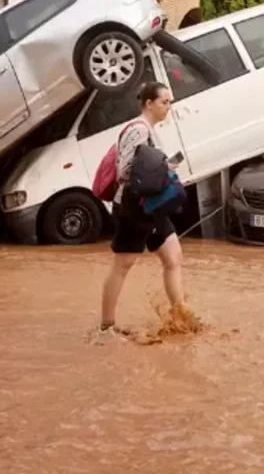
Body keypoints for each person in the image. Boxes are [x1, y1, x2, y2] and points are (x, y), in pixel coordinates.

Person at [98, 81, 185, 338]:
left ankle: (181, 316)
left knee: (173, 257)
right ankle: (106, 327)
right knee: (122, 265)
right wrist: (164, 169)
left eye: (170, 102)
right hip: (133, 207)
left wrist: (165, 166)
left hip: (151, 206)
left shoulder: (150, 130)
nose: (169, 107)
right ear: (149, 103)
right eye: (164, 102)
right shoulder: (138, 130)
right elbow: (126, 170)